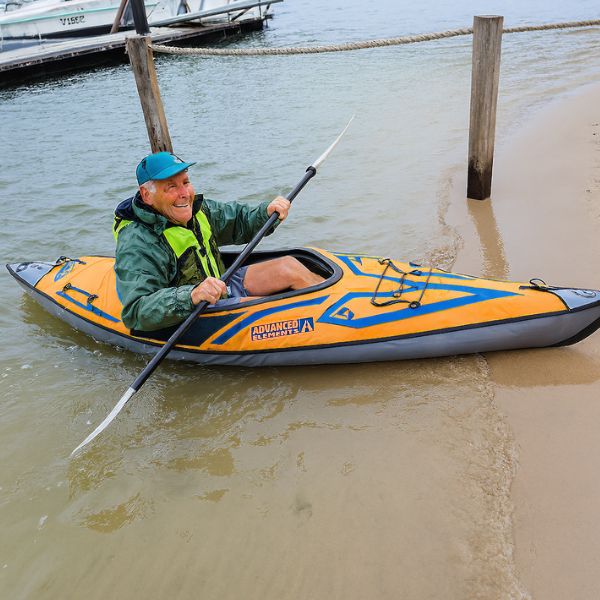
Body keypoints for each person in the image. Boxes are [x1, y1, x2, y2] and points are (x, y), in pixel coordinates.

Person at [114, 152, 324, 332]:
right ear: (146, 195)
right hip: (190, 311)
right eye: (171, 187)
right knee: (272, 313)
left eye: (185, 182)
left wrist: (265, 213)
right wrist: (191, 295)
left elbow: (238, 220)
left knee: (289, 266)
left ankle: (334, 308)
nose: (184, 194)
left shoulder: (199, 210)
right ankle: (327, 326)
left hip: (220, 286)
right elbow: (136, 311)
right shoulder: (137, 241)